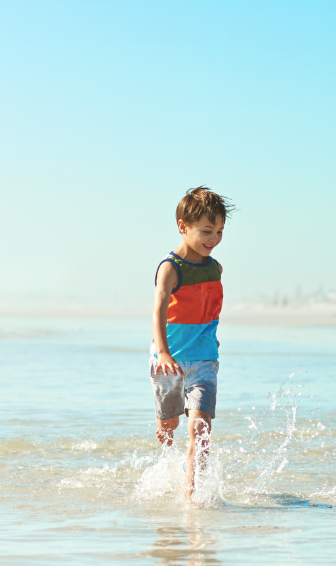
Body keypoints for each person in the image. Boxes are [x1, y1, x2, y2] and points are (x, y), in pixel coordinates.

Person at [150, 186, 233, 501]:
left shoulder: (216, 269)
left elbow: (207, 306)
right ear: (183, 227)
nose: (214, 238)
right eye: (207, 230)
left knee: (200, 431)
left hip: (204, 363)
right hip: (168, 361)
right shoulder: (171, 268)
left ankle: (192, 493)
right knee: (168, 427)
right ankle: (168, 473)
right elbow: (158, 307)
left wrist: (211, 337)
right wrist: (162, 351)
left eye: (220, 231)